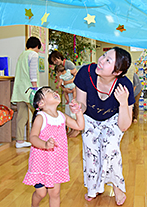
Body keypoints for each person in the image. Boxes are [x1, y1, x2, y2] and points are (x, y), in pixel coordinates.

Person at [73, 47, 134, 205]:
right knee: (90, 150)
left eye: (108, 60)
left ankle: (117, 187)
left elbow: (124, 126)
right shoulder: (85, 73)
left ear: (117, 72)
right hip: (90, 117)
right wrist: (78, 108)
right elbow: (82, 104)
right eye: (104, 56)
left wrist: (123, 103)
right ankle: (93, 188)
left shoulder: (125, 86)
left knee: (110, 148)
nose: (101, 60)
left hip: (113, 118)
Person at [22, 86, 84, 207]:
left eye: (52, 90)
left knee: (55, 193)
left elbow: (79, 126)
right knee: (41, 193)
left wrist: (78, 112)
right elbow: (33, 137)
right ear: (41, 103)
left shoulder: (61, 116)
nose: (54, 92)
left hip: (57, 162)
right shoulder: (41, 117)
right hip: (41, 162)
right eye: (48, 92)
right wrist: (45, 144)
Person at [11, 36, 41, 148]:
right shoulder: (33, 54)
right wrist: (35, 87)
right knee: (39, 113)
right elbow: (33, 72)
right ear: (37, 46)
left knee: (21, 116)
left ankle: (19, 141)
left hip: (20, 90)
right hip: (29, 89)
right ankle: (39, 137)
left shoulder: (22, 55)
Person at [48, 50, 78, 136]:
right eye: (53, 62)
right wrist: (64, 89)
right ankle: (72, 128)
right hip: (67, 90)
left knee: (74, 108)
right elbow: (59, 81)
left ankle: (76, 129)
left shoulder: (68, 64)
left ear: (59, 57)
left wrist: (68, 83)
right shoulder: (58, 68)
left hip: (73, 88)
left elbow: (76, 75)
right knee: (68, 109)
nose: (55, 62)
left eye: (55, 60)